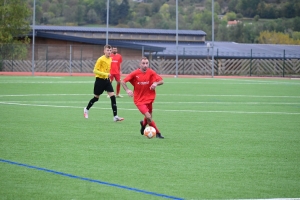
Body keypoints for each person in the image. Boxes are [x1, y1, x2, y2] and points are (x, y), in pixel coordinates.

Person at [121, 57, 164, 138]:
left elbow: (162, 81)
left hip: (149, 98)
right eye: (143, 63)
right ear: (140, 64)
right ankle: (158, 133)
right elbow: (123, 81)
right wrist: (127, 90)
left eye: (146, 63)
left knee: (149, 118)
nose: (145, 65)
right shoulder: (135, 73)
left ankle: (143, 125)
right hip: (139, 100)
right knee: (148, 117)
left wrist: (156, 84)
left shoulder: (151, 72)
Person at [84, 44, 124, 122]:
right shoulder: (100, 59)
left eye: (110, 50)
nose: (109, 52)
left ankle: (115, 116)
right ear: (104, 51)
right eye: (107, 50)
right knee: (96, 98)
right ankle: (86, 109)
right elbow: (95, 70)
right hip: (99, 80)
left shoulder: (110, 59)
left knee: (113, 97)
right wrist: (105, 74)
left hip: (106, 81)